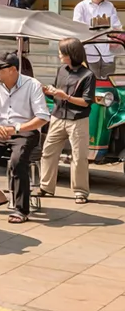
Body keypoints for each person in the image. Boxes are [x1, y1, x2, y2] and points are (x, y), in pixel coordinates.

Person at [0, 52, 50, 224]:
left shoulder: (32, 85)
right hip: (0, 130)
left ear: (13, 69)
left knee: (17, 161)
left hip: (26, 131)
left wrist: (17, 128)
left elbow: (42, 117)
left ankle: (21, 210)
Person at [38, 37, 95, 204]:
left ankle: (80, 191)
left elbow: (86, 101)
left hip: (77, 120)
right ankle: (45, 186)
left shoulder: (88, 75)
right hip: (57, 116)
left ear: (72, 54)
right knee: (48, 152)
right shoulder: (61, 70)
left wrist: (67, 97)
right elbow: (57, 91)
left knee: (79, 157)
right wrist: (50, 91)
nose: (59, 55)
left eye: (62, 52)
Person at [73, 0, 121, 79]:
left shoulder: (109, 6)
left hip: (108, 52)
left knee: (108, 83)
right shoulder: (81, 7)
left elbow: (117, 26)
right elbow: (77, 29)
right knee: (92, 83)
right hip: (90, 53)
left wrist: (116, 36)